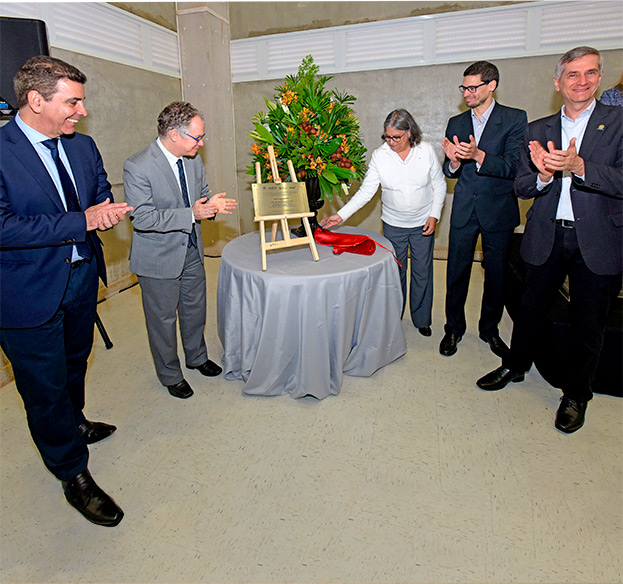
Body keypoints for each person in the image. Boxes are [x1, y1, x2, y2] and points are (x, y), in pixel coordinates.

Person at [0, 56, 132, 526]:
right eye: (72, 101)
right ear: (36, 101)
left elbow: (96, 190)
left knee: (76, 361)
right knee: (44, 388)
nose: (81, 111)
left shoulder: (82, 145)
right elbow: (3, 225)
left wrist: (103, 207)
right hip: (25, 293)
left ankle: (74, 423)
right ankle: (73, 473)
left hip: (79, 280)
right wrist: (83, 219)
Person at [477, 47, 622, 434]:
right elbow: (523, 186)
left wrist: (580, 167)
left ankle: (576, 394)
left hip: (598, 239)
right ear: (558, 83)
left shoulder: (619, 122)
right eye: (573, 75)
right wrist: (543, 176)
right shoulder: (537, 129)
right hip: (546, 234)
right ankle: (515, 365)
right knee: (530, 311)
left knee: (589, 322)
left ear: (599, 78)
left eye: (590, 73)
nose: (582, 81)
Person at [123, 102, 237, 399]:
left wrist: (211, 206)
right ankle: (170, 374)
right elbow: (144, 218)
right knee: (162, 320)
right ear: (174, 134)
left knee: (194, 308)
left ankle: (197, 357)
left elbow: (199, 198)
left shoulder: (193, 160)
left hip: (191, 249)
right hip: (158, 257)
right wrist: (192, 214)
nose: (202, 143)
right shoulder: (138, 166)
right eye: (197, 137)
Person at [320, 109, 446, 335]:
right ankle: (393, 316)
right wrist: (341, 215)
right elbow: (366, 192)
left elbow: (440, 184)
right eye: (387, 137)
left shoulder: (425, 151)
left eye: (396, 137)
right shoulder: (380, 155)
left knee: (422, 271)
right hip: (394, 224)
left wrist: (434, 215)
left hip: (423, 223)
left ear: (409, 132)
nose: (391, 142)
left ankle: (421, 319)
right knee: (395, 272)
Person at [439, 61, 528, 358]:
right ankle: (453, 329)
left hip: (498, 209)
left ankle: (490, 329)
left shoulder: (515, 119)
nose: (467, 93)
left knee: (496, 276)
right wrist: (452, 162)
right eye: (464, 87)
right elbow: (451, 170)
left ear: (492, 86)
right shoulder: (457, 122)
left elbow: (514, 167)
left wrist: (479, 155)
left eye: (473, 87)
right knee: (456, 273)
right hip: (465, 208)